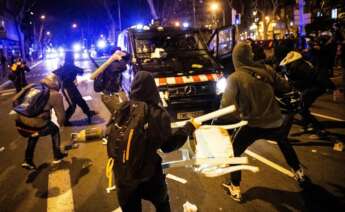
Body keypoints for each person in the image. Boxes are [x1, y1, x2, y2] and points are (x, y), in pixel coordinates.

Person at [220, 42, 307, 202]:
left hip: (251, 124)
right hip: (274, 120)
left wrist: (217, 125)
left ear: (236, 59)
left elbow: (226, 107)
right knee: (283, 142)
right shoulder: (267, 70)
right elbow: (285, 87)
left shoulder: (235, 78)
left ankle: (235, 187)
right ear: (250, 56)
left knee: (234, 152)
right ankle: (299, 173)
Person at [113, 71, 198, 212]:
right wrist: (188, 128)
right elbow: (168, 146)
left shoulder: (122, 109)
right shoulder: (158, 113)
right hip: (149, 175)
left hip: (123, 175)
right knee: (162, 204)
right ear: (153, 88)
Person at [15, 74, 67, 170]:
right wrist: (60, 124)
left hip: (19, 120)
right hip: (35, 123)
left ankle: (28, 160)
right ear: (57, 84)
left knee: (33, 133)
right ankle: (57, 154)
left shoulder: (33, 86)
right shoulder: (55, 94)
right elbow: (61, 117)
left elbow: (15, 99)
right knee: (54, 129)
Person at [280, 51, 335, 139]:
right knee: (302, 107)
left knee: (302, 109)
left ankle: (320, 131)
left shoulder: (301, 66)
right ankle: (306, 125)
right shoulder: (297, 64)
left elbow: (313, 77)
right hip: (311, 87)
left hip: (315, 87)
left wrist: (331, 87)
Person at [54, 52, 96, 125]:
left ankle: (88, 112)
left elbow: (57, 73)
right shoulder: (68, 67)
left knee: (80, 100)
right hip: (67, 88)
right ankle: (64, 120)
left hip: (71, 86)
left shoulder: (66, 66)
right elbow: (80, 71)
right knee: (73, 105)